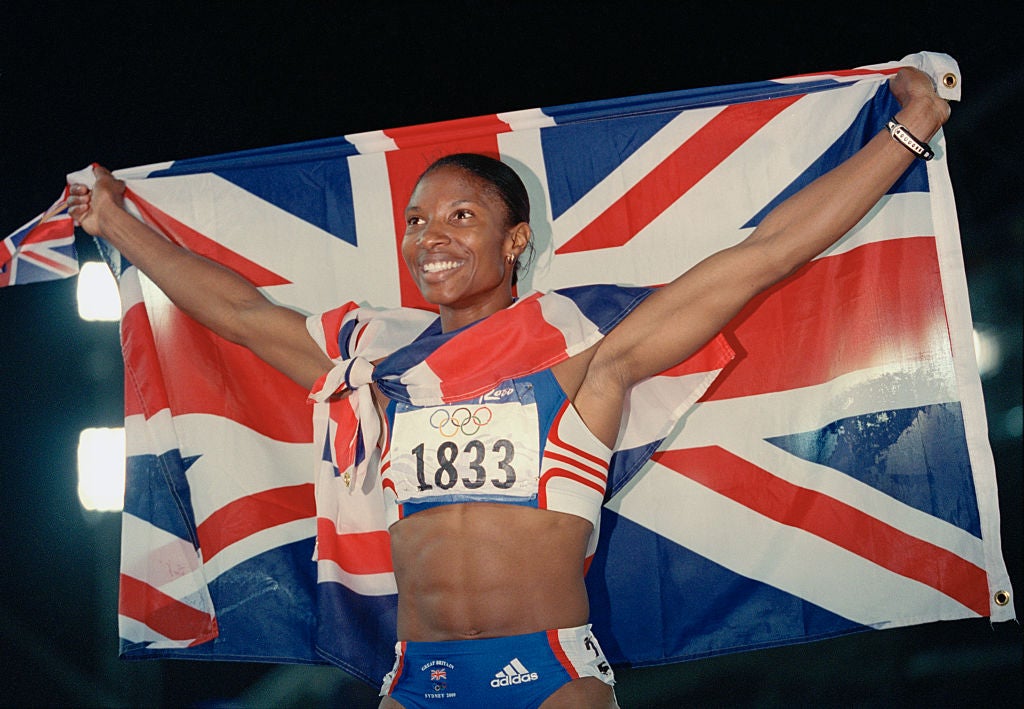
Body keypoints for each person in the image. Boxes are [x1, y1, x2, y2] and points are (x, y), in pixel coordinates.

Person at [68, 67, 949, 708]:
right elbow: (236, 314)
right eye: (416, 220)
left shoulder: (585, 363)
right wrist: (115, 224)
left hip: (549, 679)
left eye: (462, 216)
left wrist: (905, 135)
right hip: (415, 680)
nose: (430, 236)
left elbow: (764, 256)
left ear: (515, 239)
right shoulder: (375, 370)